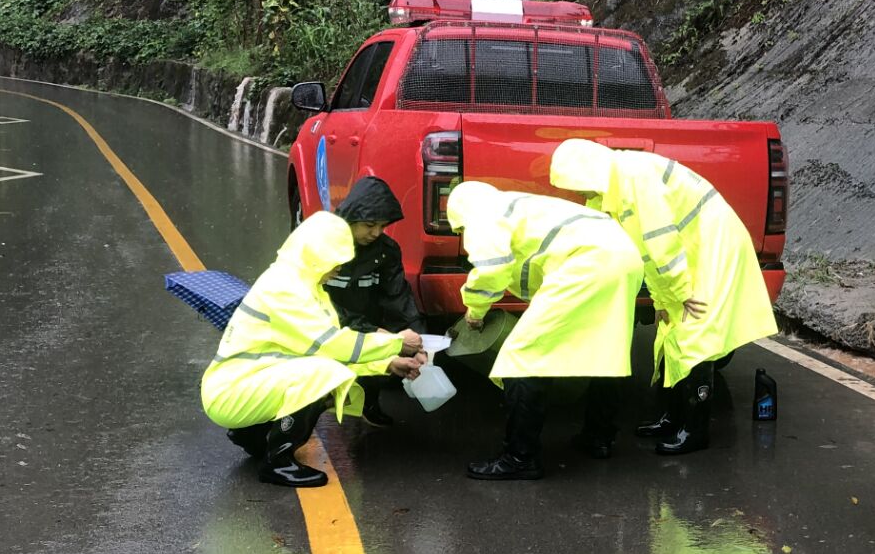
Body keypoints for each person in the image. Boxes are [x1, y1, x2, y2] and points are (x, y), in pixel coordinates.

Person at [548, 139, 777, 455]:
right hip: (692, 248)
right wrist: (662, 302)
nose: (584, 196)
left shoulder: (636, 181)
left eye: (583, 188)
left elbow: (661, 245)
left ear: (591, 174)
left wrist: (680, 295)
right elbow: (645, 253)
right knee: (671, 331)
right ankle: (673, 418)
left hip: (713, 245)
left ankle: (694, 430)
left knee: (697, 335)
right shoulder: (612, 188)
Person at [202, 212, 425, 487]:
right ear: (318, 254)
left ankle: (254, 436)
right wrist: (396, 344)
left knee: (323, 369)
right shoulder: (286, 288)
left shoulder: (304, 286)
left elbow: (328, 349)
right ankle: (278, 463)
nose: (340, 268)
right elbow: (331, 347)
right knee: (324, 375)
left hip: (243, 383)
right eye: (336, 260)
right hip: (231, 392)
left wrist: (387, 363)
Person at [445, 180, 644, 481]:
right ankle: (599, 437)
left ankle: (519, 458)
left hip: (587, 263)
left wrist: (475, 310)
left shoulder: (480, 214)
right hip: (624, 258)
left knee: (521, 356)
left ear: (459, 215)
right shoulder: (520, 205)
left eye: (459, 231)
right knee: (604, 348)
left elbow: (492, 268)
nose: (463, 236)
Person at [326, 176, 425, 429]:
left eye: (382, 226)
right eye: (369, 225)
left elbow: (398, 297)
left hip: (367, 320)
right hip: (326, 323)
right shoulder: (324, 246)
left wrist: (419, 342)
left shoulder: (386, 250)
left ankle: (370, 402)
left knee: (389, 350)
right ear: (351, 217)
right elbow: (326, 308)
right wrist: (379, 335)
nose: (376, 233)